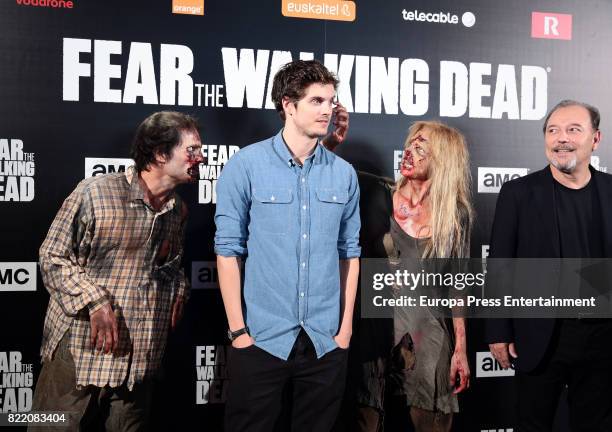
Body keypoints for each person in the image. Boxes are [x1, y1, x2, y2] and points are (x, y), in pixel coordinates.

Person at [31, 111, 204, 432]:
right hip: (81, 352)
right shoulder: (94, 193)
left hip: (140, 358)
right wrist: (95, 301)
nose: (201, 158)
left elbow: (170, 268)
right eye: (191, 150)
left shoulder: (177, 211)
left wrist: (179, 288)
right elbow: (52, 256)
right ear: (160, 154)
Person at [214, 59, 360, 432]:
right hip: (261, 339)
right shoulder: (245, 165)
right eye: (315, 101)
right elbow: (228, 251)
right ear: (288, 106)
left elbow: (350, 254)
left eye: (330, 100)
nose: (327, 109)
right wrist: (238, 333)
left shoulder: (343, 174)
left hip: (325, 342)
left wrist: (344, 331)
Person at [327, 120, 473, 432]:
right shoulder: (371, 191)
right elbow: (314, 169)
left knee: (431, 423)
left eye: (422, 149)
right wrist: (330, 143)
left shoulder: (456, 214)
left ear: (443, 161)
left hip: (428, 335)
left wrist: (460, 347)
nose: (410, 152)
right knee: (367, 420)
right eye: (410, 145)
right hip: (373, 333)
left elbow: (459, 283)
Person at [486, 100, 612, 431]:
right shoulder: (518, 193)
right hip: (541, 335)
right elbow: (500, 266)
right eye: (553, 130)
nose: (561, 139)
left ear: (595, 139)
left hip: (602, 338)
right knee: (532, 423)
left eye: (573, 130)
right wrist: (499, 331)